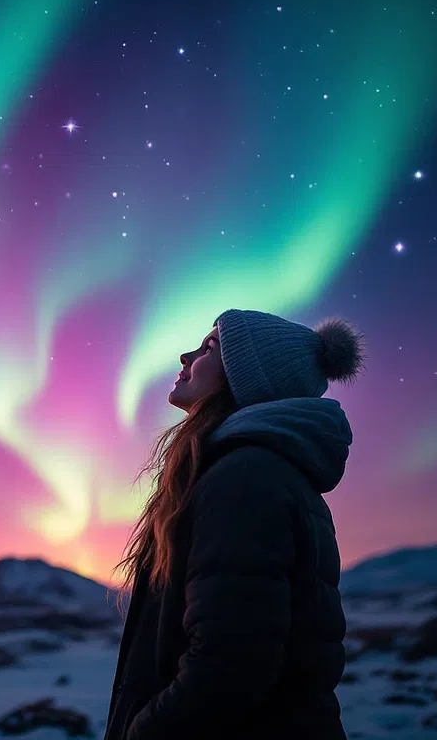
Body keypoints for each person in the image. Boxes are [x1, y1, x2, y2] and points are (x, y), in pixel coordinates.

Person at [104, 308, 366, 740]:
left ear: (246, 376)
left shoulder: (246, 478)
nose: (186, 356)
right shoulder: (251, 471)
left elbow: (230, 665)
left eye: (210, 348)